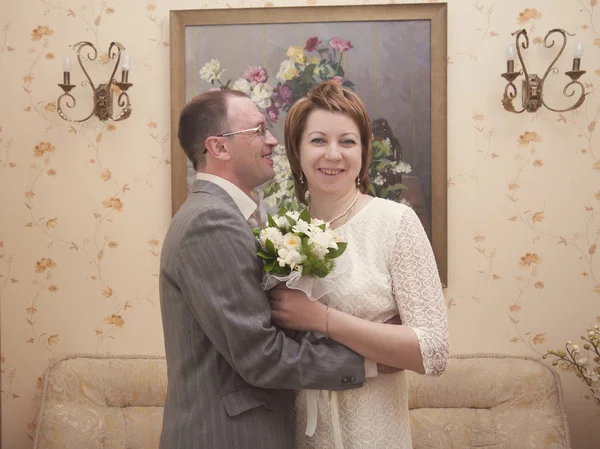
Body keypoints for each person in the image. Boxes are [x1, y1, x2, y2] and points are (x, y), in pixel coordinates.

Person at [159, 89, 381, 449]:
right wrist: (369, 362)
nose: (272, 140)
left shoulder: (224, 216)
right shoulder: (211, 221)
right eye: (258, 130)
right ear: (219, 148)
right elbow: (261, 358)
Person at [270, 80, 450, 449]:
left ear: (364, 152)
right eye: (318, 140)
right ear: (297, 152)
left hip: (375, 432)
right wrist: (380, 341)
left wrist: (320, 319)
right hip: (295, 431)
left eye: (347, 141)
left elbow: (432, 351)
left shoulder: (395, 222)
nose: (333, 154)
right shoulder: (280, 236)